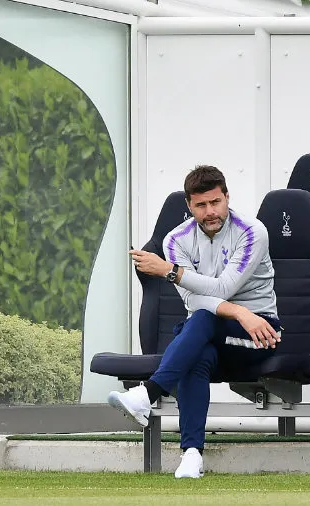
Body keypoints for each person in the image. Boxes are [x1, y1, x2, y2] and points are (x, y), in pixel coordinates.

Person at [107, 165, 281, 479]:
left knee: (200, 323)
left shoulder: (253, 231)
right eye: (201, 205)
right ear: (189, 206)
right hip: (209, 331)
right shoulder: (176, 240)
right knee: (196, 350)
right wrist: (238, 311)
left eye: (215, 202)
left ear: (227, 197)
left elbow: (224, 288)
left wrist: (168, 271)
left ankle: (148, 394)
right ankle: (191, 456)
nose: (210, 211)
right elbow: (192, 300)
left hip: (258, 332)